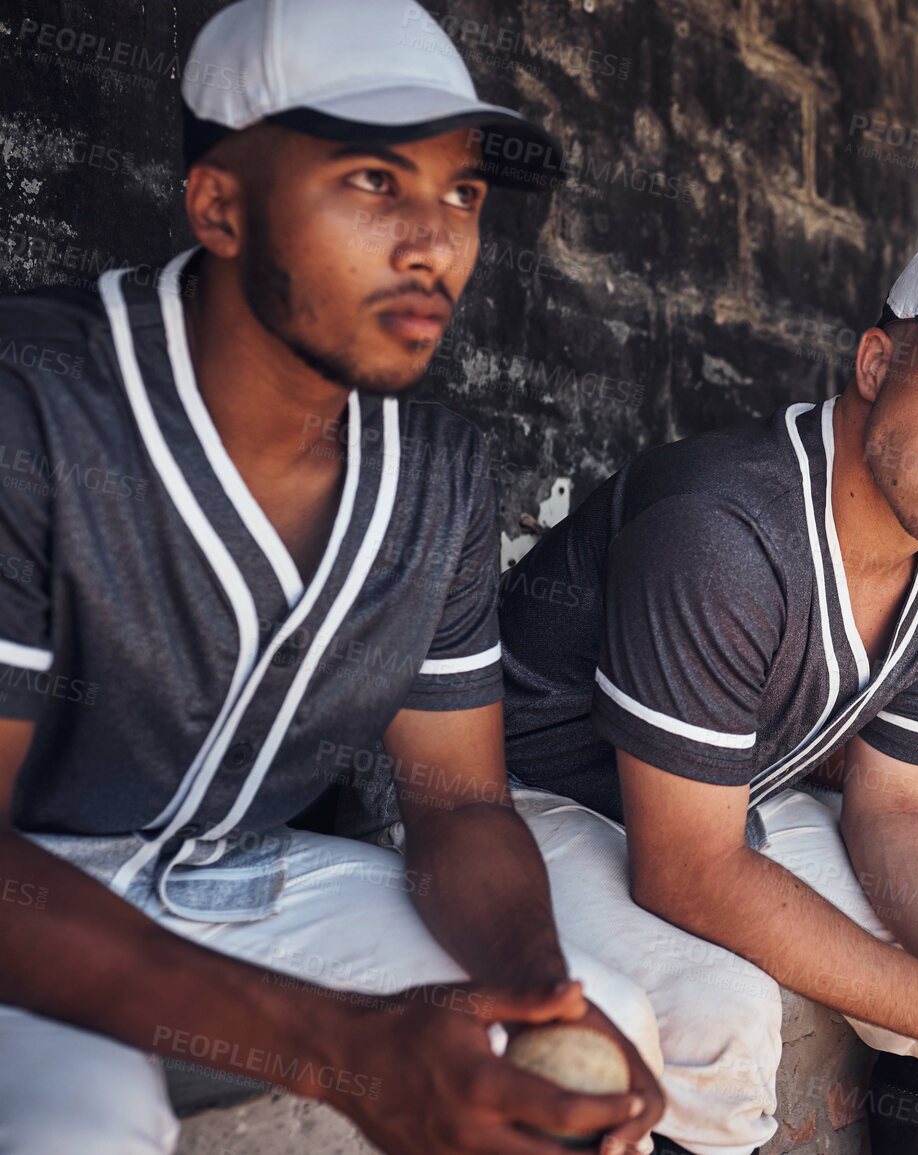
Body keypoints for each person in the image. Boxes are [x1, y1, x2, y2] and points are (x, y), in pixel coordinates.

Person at [0, 3, 665, 1154]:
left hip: (244, 875)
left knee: (601, 1051)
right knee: (82, 1124)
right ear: (220, 204)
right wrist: (344, 1048)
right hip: (35, 889)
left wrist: (534, 982)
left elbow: (456, 803)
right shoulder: (36, 405)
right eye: (372, 180)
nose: (434, 244)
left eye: (461, 194)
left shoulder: (439, 472)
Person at [497, 223, 918, 1155]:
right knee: (716, 1019)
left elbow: (895, 814)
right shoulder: (720, 523)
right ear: (877, 362)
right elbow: (688, 869)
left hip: (724, 793)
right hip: (522, 797)